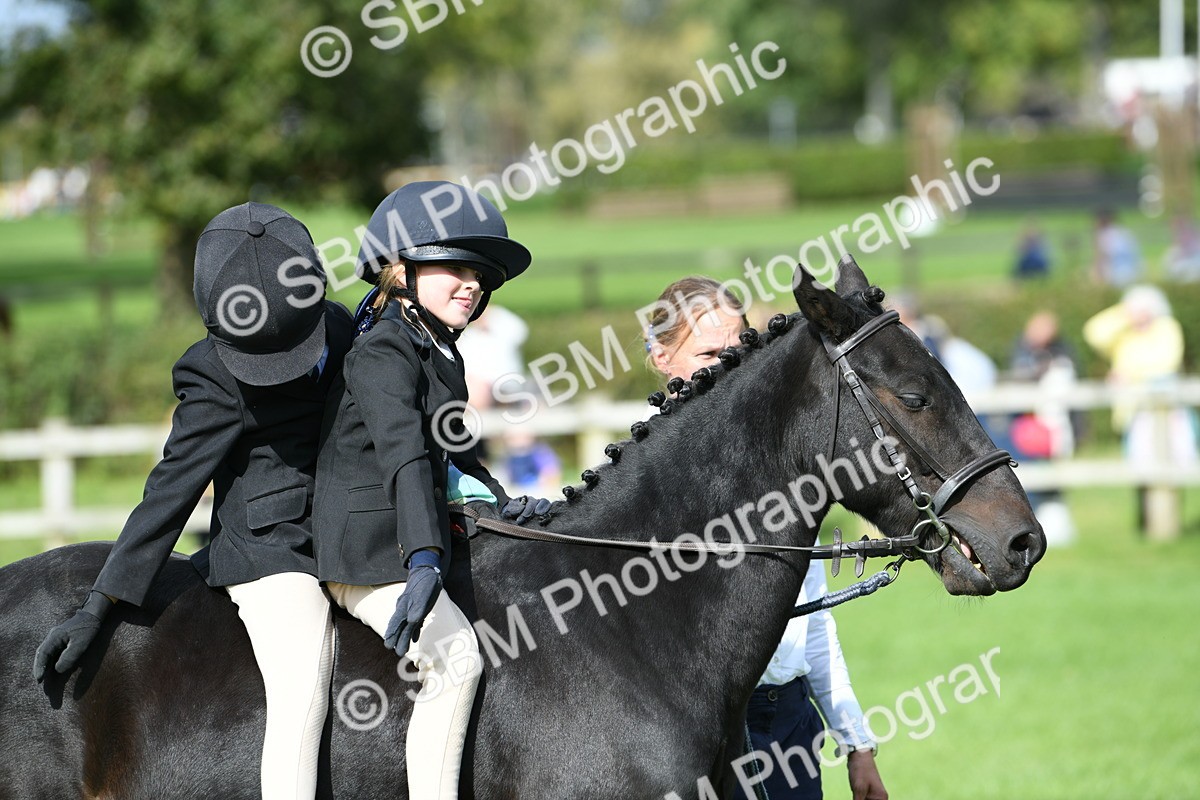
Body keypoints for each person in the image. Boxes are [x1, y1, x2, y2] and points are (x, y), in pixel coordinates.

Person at [33, 203, 355, 800]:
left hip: (352, 530)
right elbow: (172, 489)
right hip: (269, 551)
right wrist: (97, 603)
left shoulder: (338, 325)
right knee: (302, 691)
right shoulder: (212, 373)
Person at [313, 181, 547, 799]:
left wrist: (499, 500)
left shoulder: (438, 348)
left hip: (402, 532)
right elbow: (408, 459)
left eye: (479, 273)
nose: (472, 284)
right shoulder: (381, 352)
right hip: (364, 545)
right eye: (455, 267)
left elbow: (453, 449)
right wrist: (424, 559)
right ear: (401, 270)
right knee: (458, 658)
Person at [643, 276, 887, 800]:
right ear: (662, 358)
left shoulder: (785, 468)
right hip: (691, 729)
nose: (728, 365)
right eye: (709, 352)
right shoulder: (639, 482)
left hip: (790, 724)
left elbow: (815, 622)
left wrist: (856, 743)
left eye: (739, 348)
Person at [1084, 286, 1198, 526]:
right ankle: (1148, 522)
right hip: (1134, 412)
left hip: (1166, 412)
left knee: (1173, 463)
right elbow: (1094, 332)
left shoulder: (1166, 328)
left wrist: (1129, 374)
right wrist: (1124, 314)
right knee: (1140, 466)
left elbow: (1165, 363)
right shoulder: (1124, 333)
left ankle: (1167, 523)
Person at [1007, 311, 1080, 546]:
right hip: (1031, 427)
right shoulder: (1022, 351)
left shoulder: (1062, 355)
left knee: (1052, 478)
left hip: (1051, 426)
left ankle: (1055, 526)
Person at [1092, 208, 1142, 287]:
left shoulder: (1104, 235)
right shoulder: (1125, 232)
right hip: (1133, 275)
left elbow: (1101, 260)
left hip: (1116, 278)